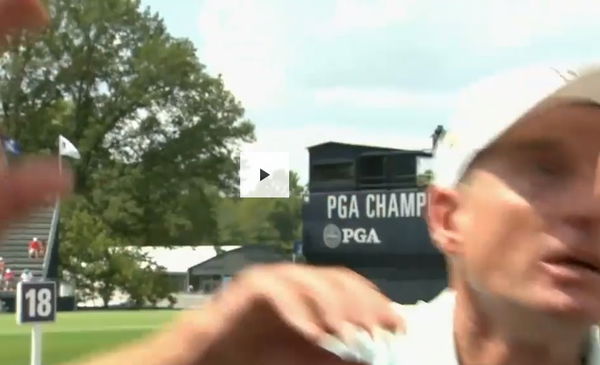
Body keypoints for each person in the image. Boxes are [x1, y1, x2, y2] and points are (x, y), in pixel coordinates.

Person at [3, 2, 600, 365]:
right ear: (447, 217)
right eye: (546, 167)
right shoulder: (340, 353)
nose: (593, 204)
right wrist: (191, 351)